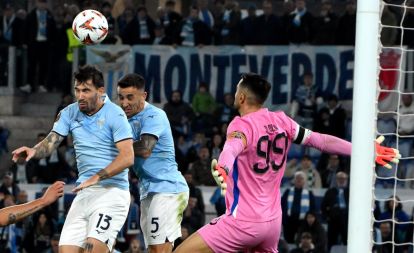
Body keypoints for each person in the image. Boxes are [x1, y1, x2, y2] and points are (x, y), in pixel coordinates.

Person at [173, 73, 400, 253]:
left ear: (241, 97)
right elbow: (321, 141)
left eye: (235, 91)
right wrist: (363, 150)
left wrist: (223, 166)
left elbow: (233, 146)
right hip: (272, 225)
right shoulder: (282, 121)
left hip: (242, 222)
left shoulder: (240, 125)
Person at [12, 65, 134, 253]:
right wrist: (34, 151)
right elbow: (51, 143)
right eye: (77, 89)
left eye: (86, 90)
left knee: (92, 249)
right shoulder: (69, 112)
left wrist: (96, 177)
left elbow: (127, 157)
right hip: (84, 193)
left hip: (112, 192)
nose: (80, 95)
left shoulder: (115, 114)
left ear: (100, 91)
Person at [117, 73, 189, 253]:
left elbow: (145, 149)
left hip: (168, 189)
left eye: (130, 97)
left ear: (144, 96)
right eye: (121, 97)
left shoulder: (155, 115)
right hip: (147, 190)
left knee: (159, 249)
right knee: (153, 249)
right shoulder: (124, 119)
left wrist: (113, 146)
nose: (124, 103)